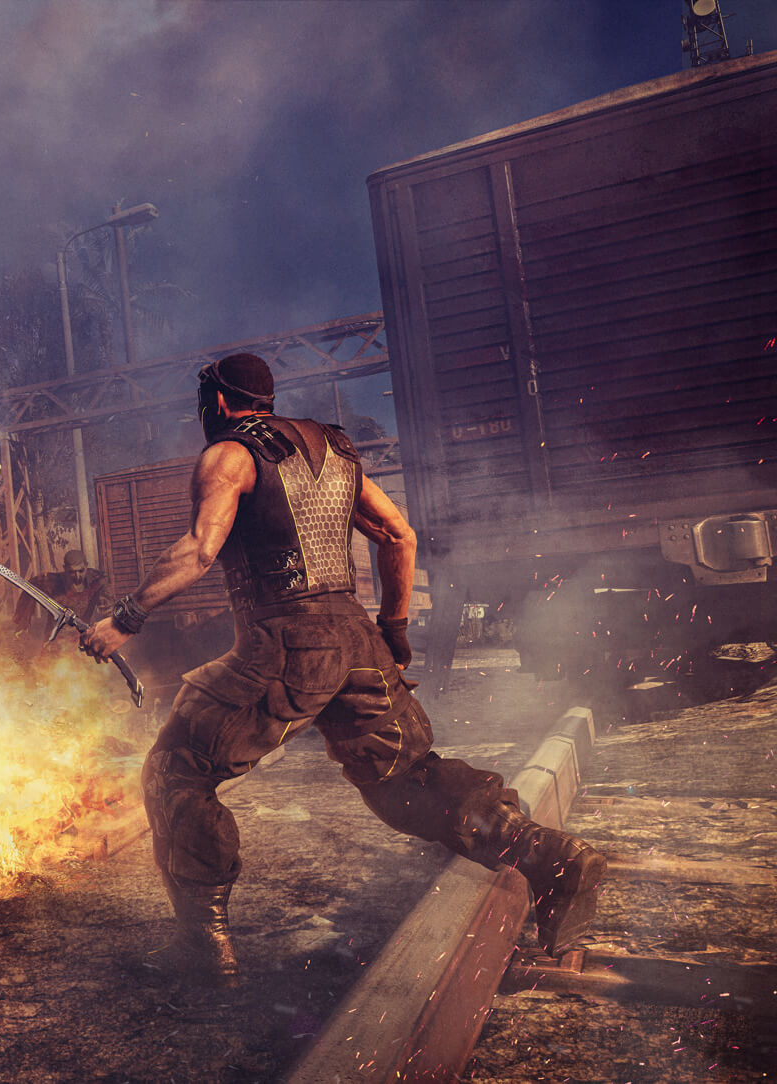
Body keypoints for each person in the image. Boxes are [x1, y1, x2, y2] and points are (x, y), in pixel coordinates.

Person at [80, 352, 606, 986]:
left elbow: (199, 548)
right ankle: (551, 857)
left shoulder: (229, 455)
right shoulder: (334, 450)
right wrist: (393, 629)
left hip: (285, 642)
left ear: (218, 401)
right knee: (403, 782)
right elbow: (400, 536)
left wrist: (125, 618)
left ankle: (202, 947)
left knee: (176, 770)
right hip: (356, 638)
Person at [13, 548, 110, 641]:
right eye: (72, 572)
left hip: (86, 637)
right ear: (65, 569)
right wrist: (23, 619)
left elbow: (109, 611)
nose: (77, 577)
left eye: (81, 571)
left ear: (86, 566)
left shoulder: (96, 580)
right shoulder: (53, 582)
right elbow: (30, 586)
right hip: (56, 639)